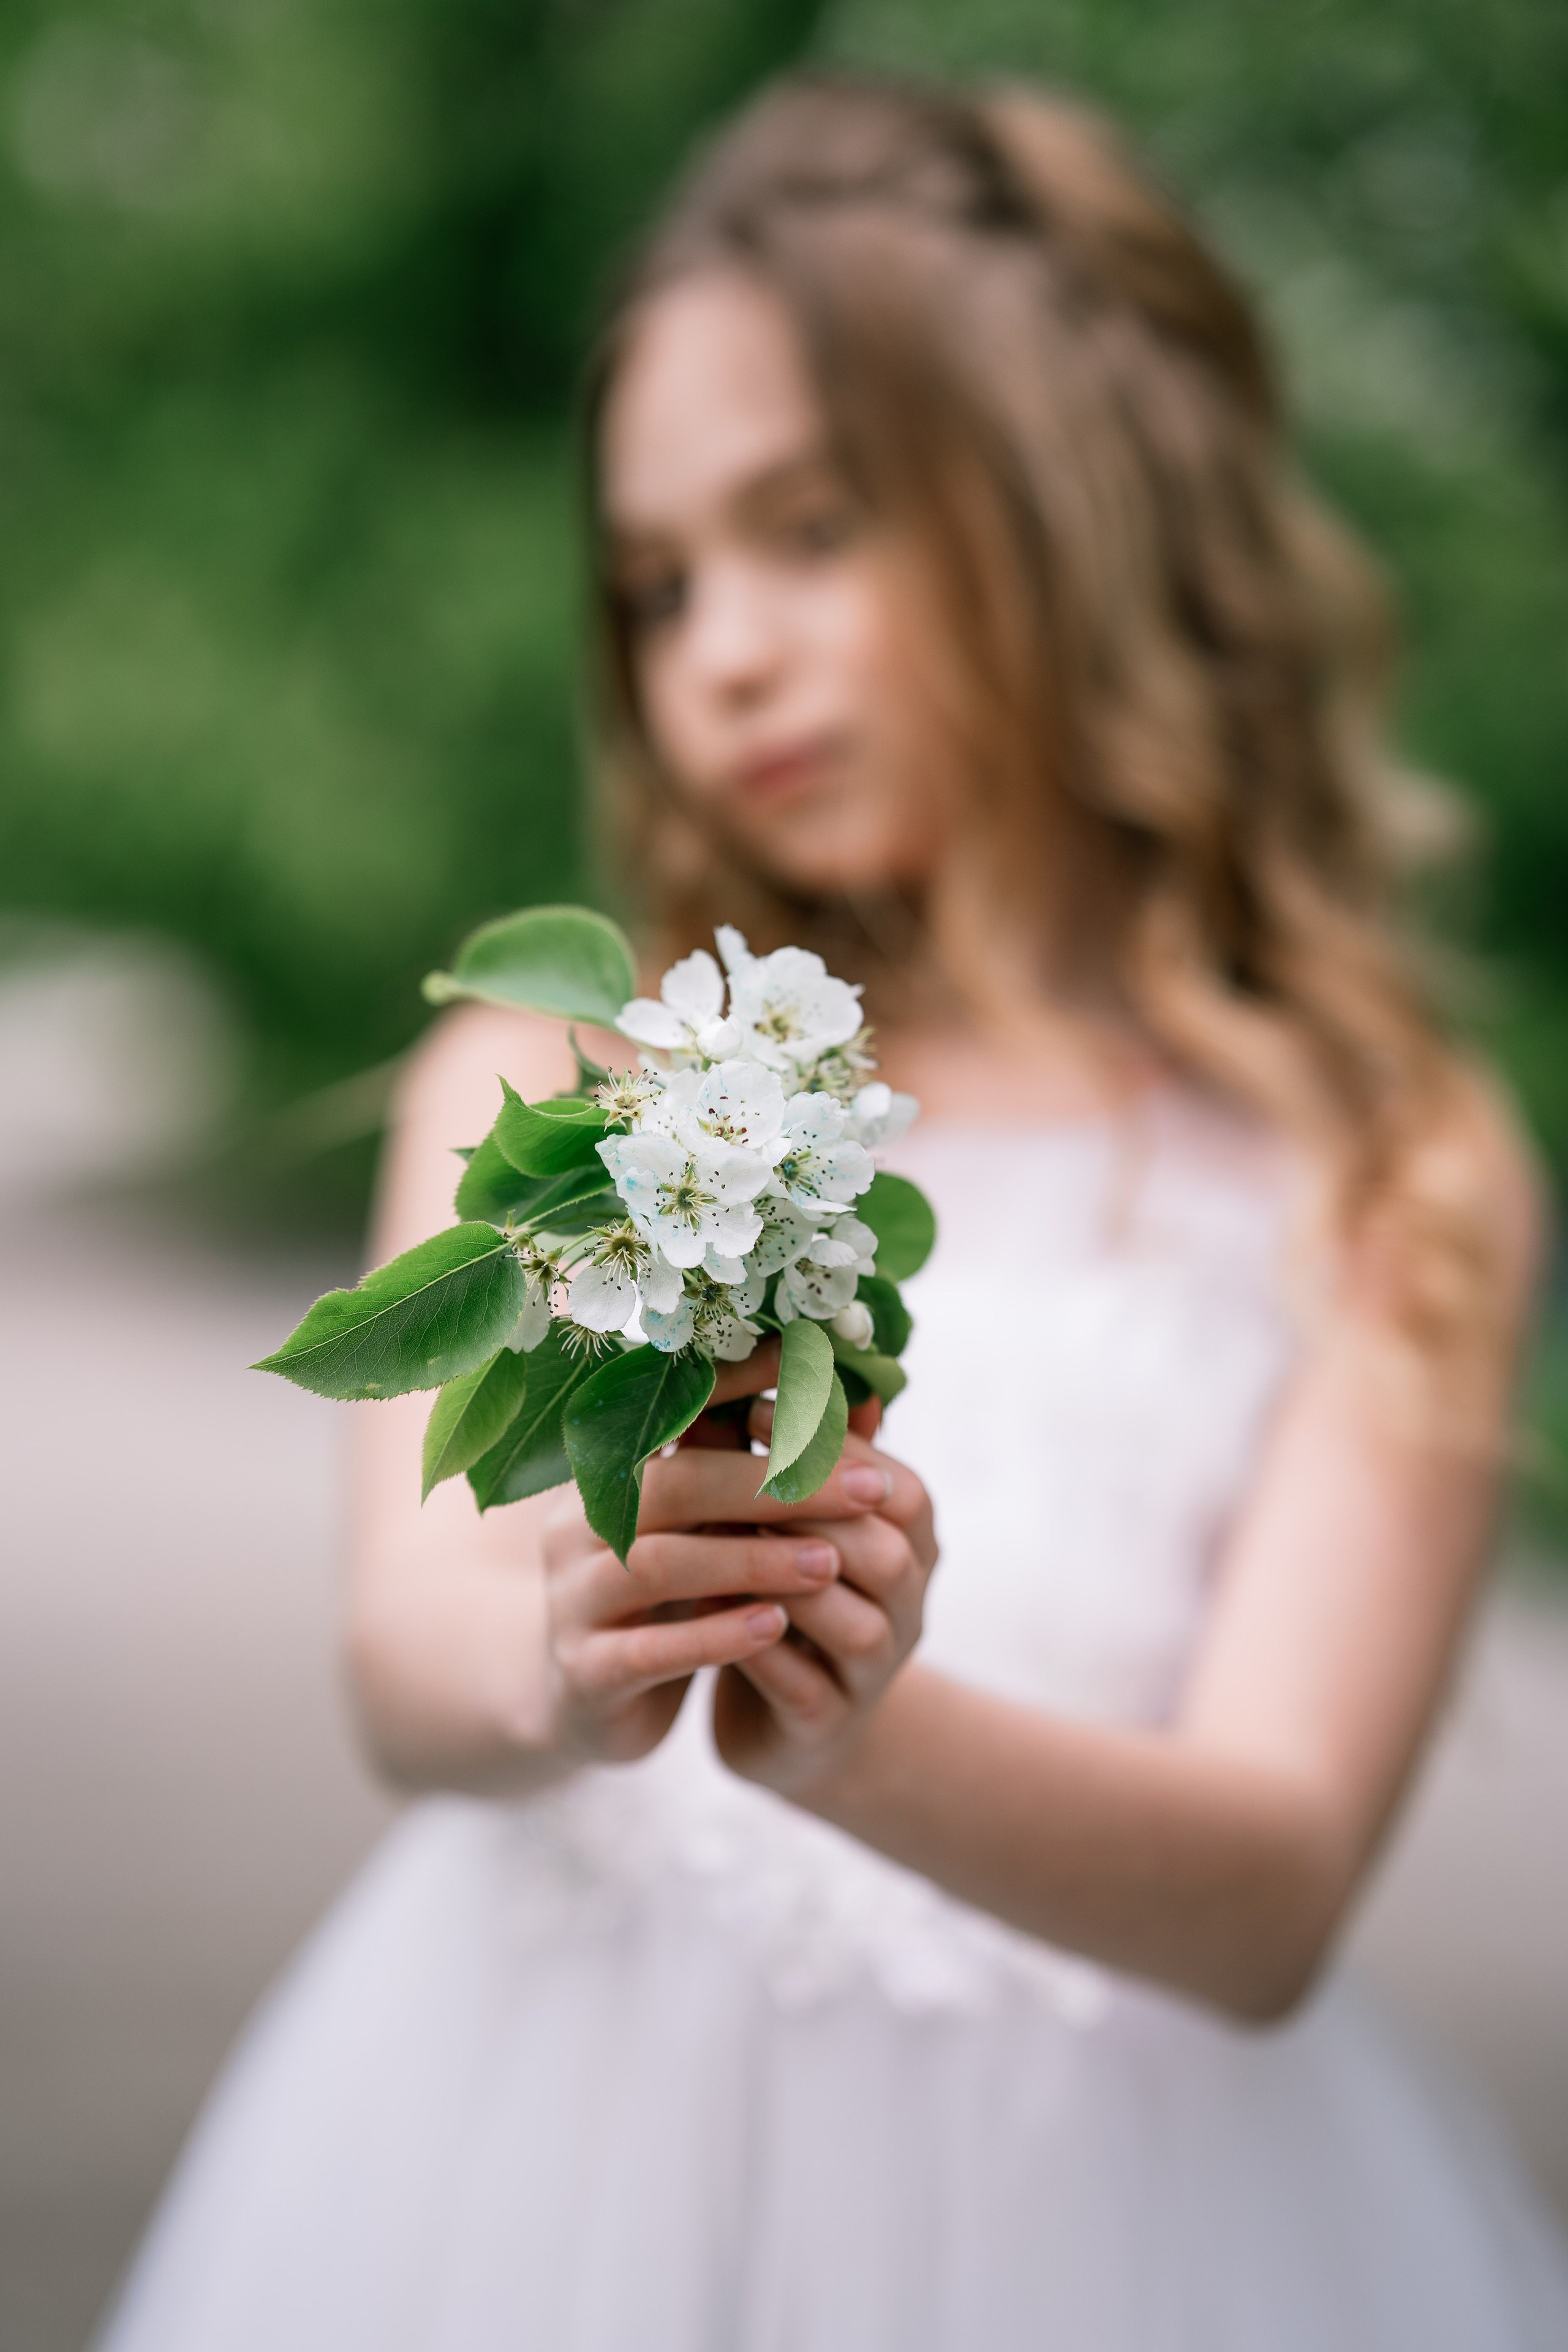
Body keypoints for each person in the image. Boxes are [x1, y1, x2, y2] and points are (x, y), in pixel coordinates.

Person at [97, 72, 1568, 2351]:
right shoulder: (567, 1080)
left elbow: (1278, 1881)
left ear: (1069, 517)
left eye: (809, 528)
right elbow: (408, 1657)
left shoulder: (1392, 1169)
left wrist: (866, 1737)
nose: (724, 656)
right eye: (658, 584)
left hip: (1104, 2221)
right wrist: (558, 1652)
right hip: (527, 2159)